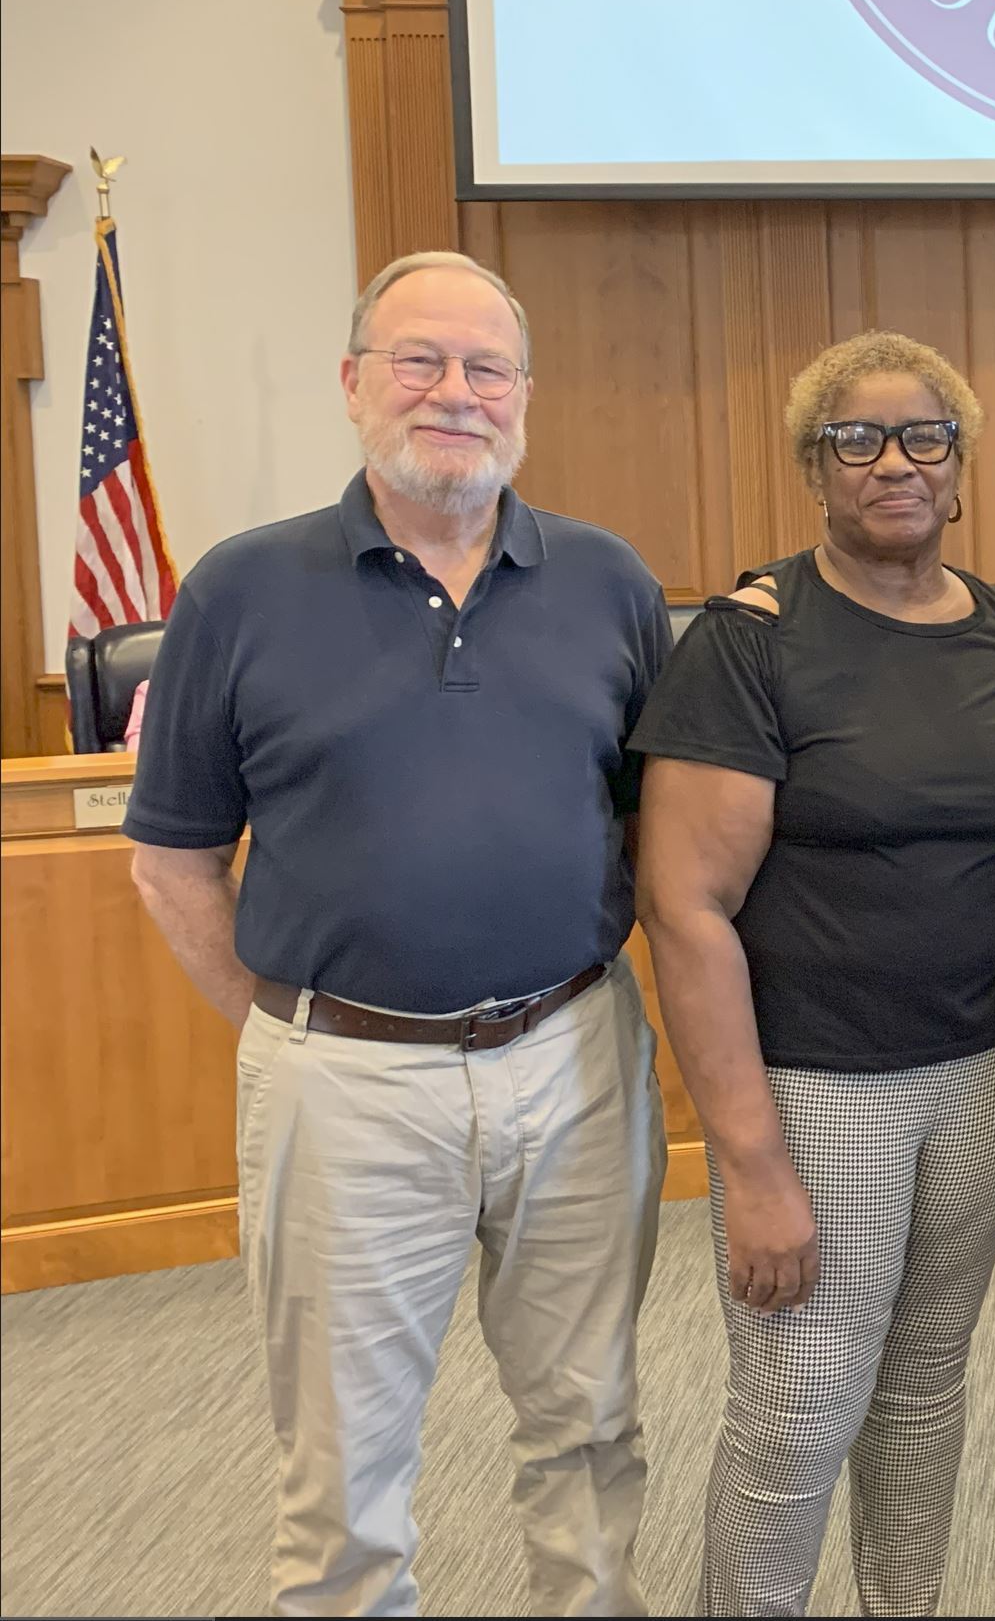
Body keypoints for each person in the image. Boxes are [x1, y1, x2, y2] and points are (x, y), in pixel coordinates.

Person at [124, 250, 670, 1616]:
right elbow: (173, 855)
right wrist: (298, 1024)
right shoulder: (241, 588)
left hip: (576, 1056)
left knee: (590, 1423)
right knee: (345, 1463)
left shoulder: (608, 580)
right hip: (345, 1080)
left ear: (526, 394)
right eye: (420, 359)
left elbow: (655, 826)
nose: (456, 392)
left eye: (487, 367)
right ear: (354, 380)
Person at [630, 331, 995, 1616]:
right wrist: (750, 1161)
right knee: (795, 1415)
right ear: (815, 470)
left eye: (923, 438)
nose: (892, 462)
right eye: (856, 439)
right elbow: (683, 906)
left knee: (923, 1385)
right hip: (818, 1086)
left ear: (960, 471)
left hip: (987, 1064)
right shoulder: (751, 639)